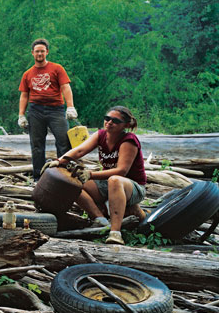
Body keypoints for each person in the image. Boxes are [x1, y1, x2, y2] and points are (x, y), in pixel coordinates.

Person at [44, 106, 146, 245]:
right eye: (107, 118)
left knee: (115, 180)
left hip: (132, 187)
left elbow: (121, 171)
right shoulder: (101, 135)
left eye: (115, 121)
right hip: (107, 184)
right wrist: (60, 161)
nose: (109, 122)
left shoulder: (129, 140)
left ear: (125, 125)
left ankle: (115, 233)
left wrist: (90, 174)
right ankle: (101, 221)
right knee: (72, 182)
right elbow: (79, 151)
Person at [18, 38, 76, 180]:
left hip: (55, 110)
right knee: (37, 145)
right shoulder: (28, 74)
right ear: (32, 53)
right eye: (37, 51)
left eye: (42, 51)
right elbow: (24, 95)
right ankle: (39, 177)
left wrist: (70, 107)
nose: (39, 54)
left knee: (63, 142)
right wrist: (21, 115)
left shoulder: (57, 68)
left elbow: (65, 88)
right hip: (35, 111)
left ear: (47, 52)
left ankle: (64, 175)